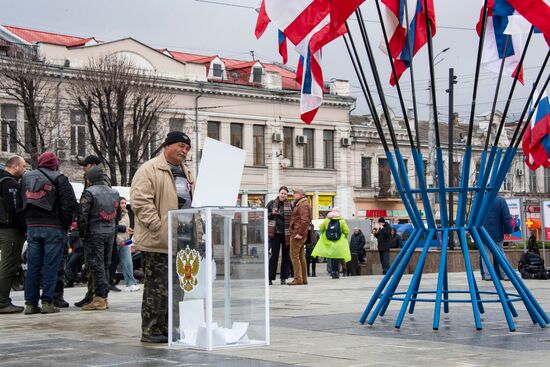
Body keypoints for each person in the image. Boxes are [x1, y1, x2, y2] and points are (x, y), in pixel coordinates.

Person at [131, 131, 195, 343]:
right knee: (157, 288)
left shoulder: (187, 173)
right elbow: (140, 201)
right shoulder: (150, 169)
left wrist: (199, 234)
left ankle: (171, 328)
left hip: (184, 240)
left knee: (179, 288)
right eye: (180, 146)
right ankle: (151, 330)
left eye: (187, 148)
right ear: (167, 146)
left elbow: (195, 204)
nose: (184, 151)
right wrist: (158, 227)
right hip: (159, 240)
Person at [19, 152, 78, 314]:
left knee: (33, 267)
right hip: (54, 228)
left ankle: (30, 304)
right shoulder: (60, 179)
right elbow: (69, 205)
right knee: (50, 267)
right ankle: (47, 302)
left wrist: (26, 224)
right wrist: (64, 226)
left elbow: (19, 203)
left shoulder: (25, 178)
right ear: (54, 163)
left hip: (32, 227)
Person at [78, 166, 121, 311]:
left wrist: (82, 234)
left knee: (96, 265)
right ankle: (104, 297)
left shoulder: (89, 193)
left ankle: (99, 298)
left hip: (94, 233)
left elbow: (83, 216)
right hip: (110, 232)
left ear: (89, 179)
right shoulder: (115, 192)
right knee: (106, 264)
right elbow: (118, 215)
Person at [0, 155, 27, 314]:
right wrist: (24, 227)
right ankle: (2, 301)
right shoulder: (9, 183)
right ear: (15, 166)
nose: (24, 170)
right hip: (9, 229)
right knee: (8, 265)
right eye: (23, 166)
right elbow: (14, 209)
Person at [481, 195, 513, 281]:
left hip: (483, 232)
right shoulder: (501, 200)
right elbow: (506, 217)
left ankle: (487, 275)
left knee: (485, 254)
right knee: (500, 254)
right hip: (497, 232)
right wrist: (508, 231)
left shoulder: (481, 199)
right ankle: (506, 274)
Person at [312, 208, 351, 279]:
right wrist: (344, 236)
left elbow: (321, 228)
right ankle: (337, 272)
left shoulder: (327, 220)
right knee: (338, 257)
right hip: (339, 242)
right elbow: (346, 231)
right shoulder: (341, 220)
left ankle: (333, 272)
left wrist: (325, 233)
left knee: (332, 257)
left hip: (329, 242)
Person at [266, 186, 292, 285]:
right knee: (274, 256)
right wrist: (272, 214)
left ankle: (283, 278)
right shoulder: (272, 203)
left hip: (286, 234)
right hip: (275, 233)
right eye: (282, 193)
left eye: (285, 194)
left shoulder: (290, 205)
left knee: (286, 257)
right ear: (279, 193)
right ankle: (270, 278)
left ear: (287, 195)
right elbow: (265, 215)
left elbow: (293, 218)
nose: (283, 195)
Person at [288, 188, 311, 286]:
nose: (293, 195)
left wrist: (300, 233)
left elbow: (305, 220)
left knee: (294, 256)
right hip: (299, 233)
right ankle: (303, 279)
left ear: (300, 194)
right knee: (301, 256)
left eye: (295, 193)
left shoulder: (302, 204)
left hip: (297, 234)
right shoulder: (303, 203)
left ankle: (298, 278)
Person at [116, 197, 140, 291]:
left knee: (128, 263)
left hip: (125, 242)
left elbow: (127, 227)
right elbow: (114, 228)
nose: (124, 204)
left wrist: (129, 239)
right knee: (111, 264)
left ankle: (130, 283)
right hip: (116, 241)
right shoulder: (115, 214)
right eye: (122, 203)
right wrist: (119, 239)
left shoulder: (127, 214)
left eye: (125, 203)